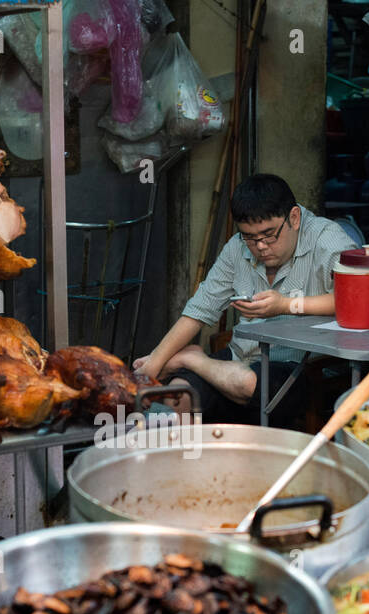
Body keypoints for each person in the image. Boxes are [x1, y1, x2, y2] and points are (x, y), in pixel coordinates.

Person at [133, 174, 355, 427]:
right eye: (250, 237)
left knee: (247, 383)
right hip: (240, 358)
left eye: (269, 235)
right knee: (179, 393)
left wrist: (286, 305)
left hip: (299, 366)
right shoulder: (236, 247)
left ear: (293, 218)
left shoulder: (327, 240)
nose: (260, 246)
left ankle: (192, 359)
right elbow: (199, 309)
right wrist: (154, 363)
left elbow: (356, 301)